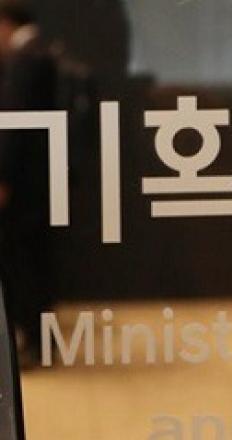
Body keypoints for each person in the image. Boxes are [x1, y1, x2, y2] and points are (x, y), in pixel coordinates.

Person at [0, 0, 57, 368]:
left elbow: (14, 125)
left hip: (25, 181)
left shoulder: (26, 59)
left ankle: (34, 341)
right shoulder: (40, 52)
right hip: (38, 177)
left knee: (23, 262)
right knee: (31, 260)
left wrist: (3, 175)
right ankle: (35, 340)